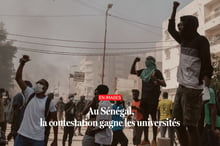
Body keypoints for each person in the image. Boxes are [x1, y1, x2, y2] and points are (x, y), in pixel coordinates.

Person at [168, 2, 213, 146]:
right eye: (179, 25)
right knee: (177, 122)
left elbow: (207, 66)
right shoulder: (183, 40)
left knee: (192, 126)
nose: (179, 27)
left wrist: (206, 88)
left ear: (190, 26)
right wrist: (174, 9)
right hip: (181, 87)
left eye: (182, 25)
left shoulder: (201, 41)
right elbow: (170, 28)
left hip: (193, 89)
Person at [14, 55, 58, 146]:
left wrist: (55, 139)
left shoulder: (49, 102)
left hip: (37, 139)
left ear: (45, 88)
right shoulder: (30, 93)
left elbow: (55, 121)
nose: (38, 84)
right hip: (22, 135)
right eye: (38, 82)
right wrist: (22, 64)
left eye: (41, 83)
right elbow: (18, 78)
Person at [130, 56, 166, 146]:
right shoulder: (144, 72)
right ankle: (146, 139)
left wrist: (156, 80)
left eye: (148, 60)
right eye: (146, 60)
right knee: (144, 119)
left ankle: (154, 139)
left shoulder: (157, 72)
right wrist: (135, 61)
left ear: (152, 62)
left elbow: (164, 83)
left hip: (153, 99)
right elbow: (132, 72)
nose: (146, 62)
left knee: (154, 119)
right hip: (144, 99)